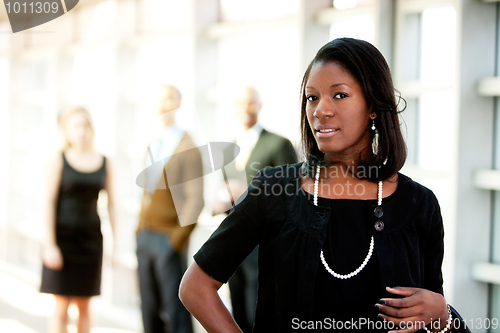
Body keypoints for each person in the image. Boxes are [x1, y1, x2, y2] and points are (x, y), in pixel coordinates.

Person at [179, 38, 470, 332]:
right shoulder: (274, 191)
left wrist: (443, 316)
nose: (320, 110)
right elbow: (195, 287)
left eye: (339, 95)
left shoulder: (419, 204)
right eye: (312, 97)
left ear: (373, 106)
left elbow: (432, 313)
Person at [218, 86, 297, 332]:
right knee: (238, 301)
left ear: (260, 105)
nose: (245, 108)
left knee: (259, 305)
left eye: (250, 102)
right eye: (240, 103)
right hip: (235, 238)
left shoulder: (278, 143)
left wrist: (247, 191)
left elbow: (292, 192)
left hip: (265, 242)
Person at [40, 106, 116, 333]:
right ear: (66, 131)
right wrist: (49, 245)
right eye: (75, 126)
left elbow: (113, 205)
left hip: (91, 241)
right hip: (62, 241)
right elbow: (47, 203)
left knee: (85, 304)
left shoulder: (105, 162)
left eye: (85, 125)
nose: (81, 131)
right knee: (61, 305)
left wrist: (115, 244)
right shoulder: (58, 160)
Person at [136, 85, 204, 333]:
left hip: (169, 239)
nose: (162, 107)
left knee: (176, 312)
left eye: (167, 101)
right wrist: (139, 230)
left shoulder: (188, 146)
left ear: (177, 104)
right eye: (158, 101)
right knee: (148, 308)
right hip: (145, 236)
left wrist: (175, 241)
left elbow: (195, 200)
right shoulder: (154, 142)